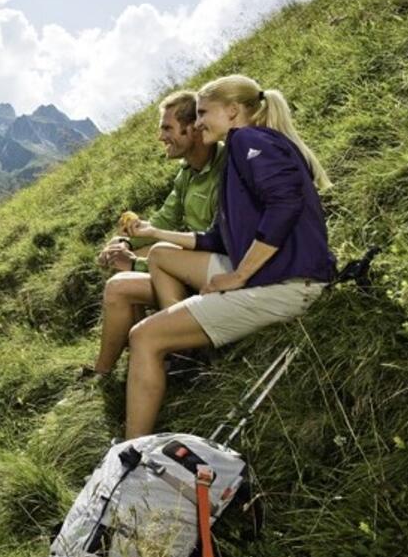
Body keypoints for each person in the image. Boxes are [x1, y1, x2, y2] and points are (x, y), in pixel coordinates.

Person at [122, 74, 335, 438]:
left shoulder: (247, 140)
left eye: (204, 111)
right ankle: (186, 347)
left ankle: (129, 451)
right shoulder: (246, 146)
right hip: (279, 273)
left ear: (233, 111)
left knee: (144, 336)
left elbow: (284, 203)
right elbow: (220, 238)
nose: (198, 120)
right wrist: (154, 235)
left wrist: (238, 277)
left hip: (289, 283)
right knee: (161, 256)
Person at [84, 90, 226, 377]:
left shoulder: (226, 168)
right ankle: (119, 369)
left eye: (167, 128)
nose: (161, 137)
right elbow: (163, 219)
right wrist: (124, 241)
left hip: (214, 273)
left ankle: (180, 354)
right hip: (188, 266)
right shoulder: (187, 174)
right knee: (122, 275)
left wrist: (135, 263)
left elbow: (214, 241)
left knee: (120, 284)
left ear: (192, 130)